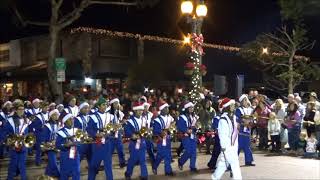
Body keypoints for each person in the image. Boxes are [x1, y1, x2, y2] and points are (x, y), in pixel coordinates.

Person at [211, 98, 242, 180]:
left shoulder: (234, 117)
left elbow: (235, 130)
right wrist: (224, 147)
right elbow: (223, 135)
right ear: (227, 107)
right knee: (235, 164)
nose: (233, 106)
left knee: (223, 163)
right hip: (228, 146)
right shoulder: (223, 119)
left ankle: (215, 177)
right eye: (232, 105)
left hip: (233, 144)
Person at [1, 100, 29, 180]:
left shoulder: (25, 120)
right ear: (15, 110)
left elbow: (27, 132)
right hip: (13, 146)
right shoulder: (10, 120)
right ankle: (10, 178)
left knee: (22, 164)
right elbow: (4, 133)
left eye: (23, 109)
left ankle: (23, 178)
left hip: (23, 145)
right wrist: (8, 140)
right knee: (13, 164)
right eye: (20, 109)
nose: (22, 111)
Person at [87, 96, 113, 180]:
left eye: (106, 105)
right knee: (94, 165)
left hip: (107, 143)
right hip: (97, 144)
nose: (105, 106)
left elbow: (112, 128)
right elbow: (89, 129)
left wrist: (113, 130)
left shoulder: (109, 116)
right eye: (103, 105)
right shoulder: (93, 116)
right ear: (98, 106)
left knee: (108, 165)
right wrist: (96, 134)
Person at [124, 102, 148, 180]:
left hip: (142, 142)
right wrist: (131, 135)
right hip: (134, 144)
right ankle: (128, 173)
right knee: (132, 160)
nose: (141, 112)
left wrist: (147, 132)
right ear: (135, 111)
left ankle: (144, 176)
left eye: (141, 110)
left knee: (143, 160)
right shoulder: (130, 121)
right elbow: (127, 131)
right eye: (139, 110)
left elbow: (145, 129)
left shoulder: (144, 119)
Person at [152, 101, 175, 176]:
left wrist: (172, 127)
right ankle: (155, 166)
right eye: (166, 108)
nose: (168, 109)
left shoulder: (169, 117)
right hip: (161, 140)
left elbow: (173, 125)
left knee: (167, 155)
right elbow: (155, 130)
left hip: (167, 139)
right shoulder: (157, 120)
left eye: (167, 108)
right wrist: (161, 132)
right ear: (161, 109)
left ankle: (168, 171)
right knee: (161, 155)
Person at [55, 113, 80, 180]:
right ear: (65, 121)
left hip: (74, 153)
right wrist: (66, 145)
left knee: (76, 172)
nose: (72, 121)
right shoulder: (60, 132)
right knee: (64, 173)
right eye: (70, 120)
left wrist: (79, 142)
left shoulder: (76, 130)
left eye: (72, 119)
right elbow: (57, 145)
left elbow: (80, 141)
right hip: (65, 154)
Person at [177, 102, 199, 173]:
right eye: (190, 107)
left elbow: (195, 125)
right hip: (185, 136)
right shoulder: (182, 117)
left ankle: (192, 167)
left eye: (192, 107)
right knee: (189, 151)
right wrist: (186, 130)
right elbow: (180, 126)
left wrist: (196, 127)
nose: (192, 109)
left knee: (194, 152)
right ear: (186, 108)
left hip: (193, 136)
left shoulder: (194, 116)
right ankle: (181, 161)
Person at [235, 94, 255, 166]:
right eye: (244, 100)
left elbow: (253, 118)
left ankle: (249, 161)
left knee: (247, 146)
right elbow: (237, 119)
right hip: (240, 131)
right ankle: (232, 162)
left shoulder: (251, 109)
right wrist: (243, 122)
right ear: (241, 102)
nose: (246, 101)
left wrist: (251, 122)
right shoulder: (238, 110)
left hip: (247, 130)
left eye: (246, 99)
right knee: (238, 147)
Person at [107, 97, 127, 168]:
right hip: (111, 134)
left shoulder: (119, 113)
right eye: (115, 103)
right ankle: (107, 163)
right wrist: (113, 127)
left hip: (118, 133)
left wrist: (122, 122)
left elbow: (120, 122)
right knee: (110, 151)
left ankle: (122, 162)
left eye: (118, 103)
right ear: (112, 104)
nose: (117, 105)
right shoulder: (108, 113)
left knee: (120, 149)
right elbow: (106, 124)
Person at [41, 109, 60, 178]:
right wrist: (48, 143)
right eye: (55, 114)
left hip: (55, 145)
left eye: (57, 114)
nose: (57, 116)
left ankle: (46, 175)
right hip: (49, 146)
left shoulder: (58, 124)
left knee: (51, 163)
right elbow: (44, 137)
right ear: (51, 116)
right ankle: (59, 176)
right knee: (53, 163)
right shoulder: (47, 125)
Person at [30, 101, 49, 166]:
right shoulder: (38, 116)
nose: (46, 109)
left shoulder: (49, 114)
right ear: (42, 108)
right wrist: (41, 127)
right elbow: (34, 125)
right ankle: (38, 161)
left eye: (47, 107)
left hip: (48, 133)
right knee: (40, 148)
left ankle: (48, 159)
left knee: (49, 147)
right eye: (45, 107)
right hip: (40, 134)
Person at [74, 101, 91, 166]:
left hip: (89, 141)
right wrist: (83, 135)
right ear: (80, 109)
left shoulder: (90, 117)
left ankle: (92, 169)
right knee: (79, 157)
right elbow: (76, 131)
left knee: (91, 156)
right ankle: (74, 170)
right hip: (81, 142)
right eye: (84, 108)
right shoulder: (77, 119)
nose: (87, 109)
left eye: (87, 108)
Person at [140, 99, 156, 164]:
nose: (146, 108)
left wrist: (151, 127)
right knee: (141, 146)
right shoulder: (140, 115)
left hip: (148, 131)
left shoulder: (150, 114)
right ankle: (139, 159)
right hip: (142, 131)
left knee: (149, 146)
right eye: (145, 107)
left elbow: (151, 122)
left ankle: (152, 158)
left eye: (147, 107)